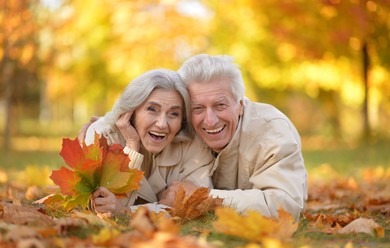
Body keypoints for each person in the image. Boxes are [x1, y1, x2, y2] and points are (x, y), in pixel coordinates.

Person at [159, 54, 307, 220]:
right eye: (198, 108)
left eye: (220, 105)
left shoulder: (272, 131)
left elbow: (285, 206)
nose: (210, 120)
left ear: (240, 105)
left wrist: (204, 197)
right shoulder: (175, 128)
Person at [82, 69, 214, 217]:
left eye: (174, 113)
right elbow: (102, 207)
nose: (162, 124)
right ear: (131, 111)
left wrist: (126, 212)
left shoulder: (193, 144)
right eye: (152, 109)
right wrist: (132, 147)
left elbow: (195, 203)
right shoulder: (101, 135)